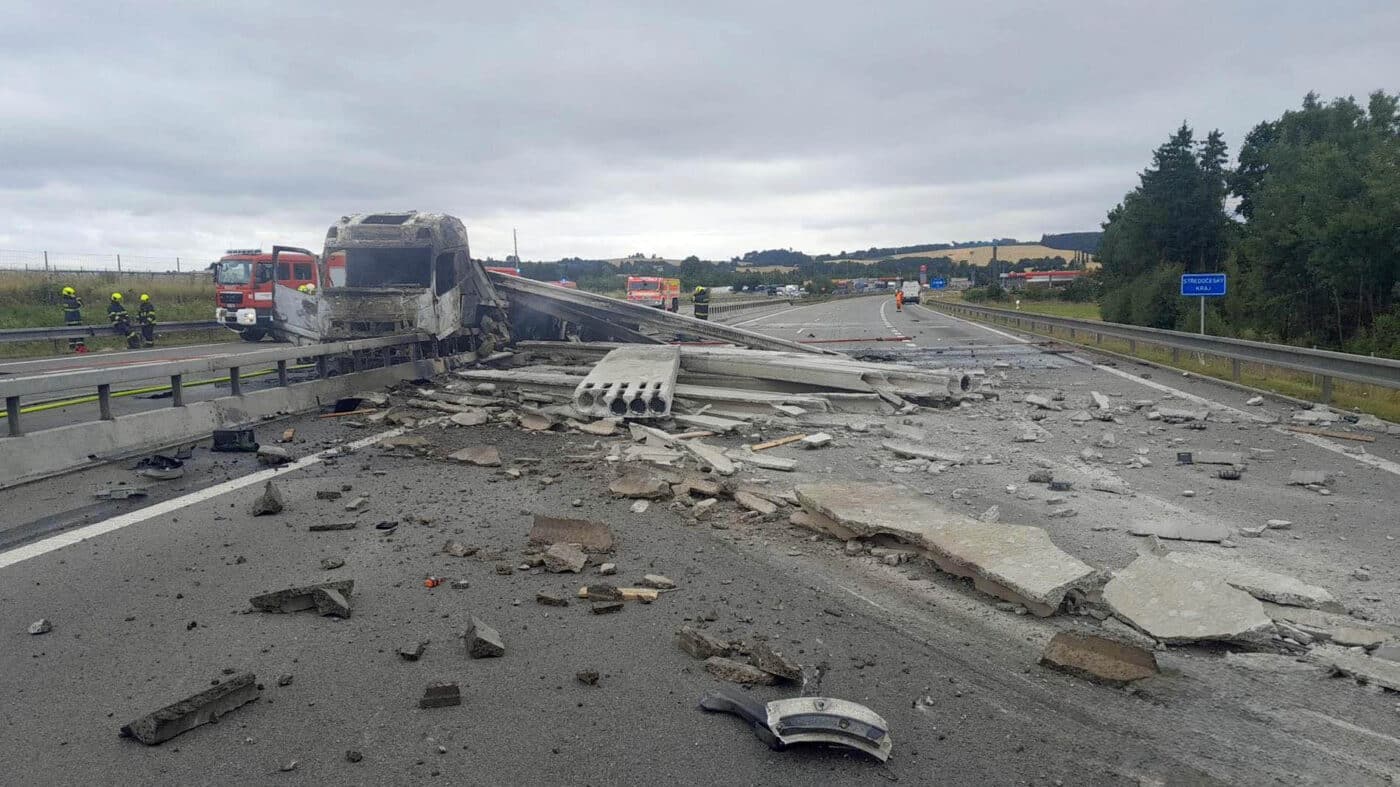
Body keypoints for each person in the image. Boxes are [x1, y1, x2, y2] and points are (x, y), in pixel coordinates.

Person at [60, 286, 86, 353]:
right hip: (73, 320)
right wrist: (77, 300)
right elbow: (76, 305)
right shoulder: (66, 301)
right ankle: (74, 348)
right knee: (73, 335)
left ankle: (79, 348)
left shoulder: (67, 300)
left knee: (78, 335)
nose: (72, 295)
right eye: (71, 294)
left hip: (73, 320)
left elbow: (80, 305)